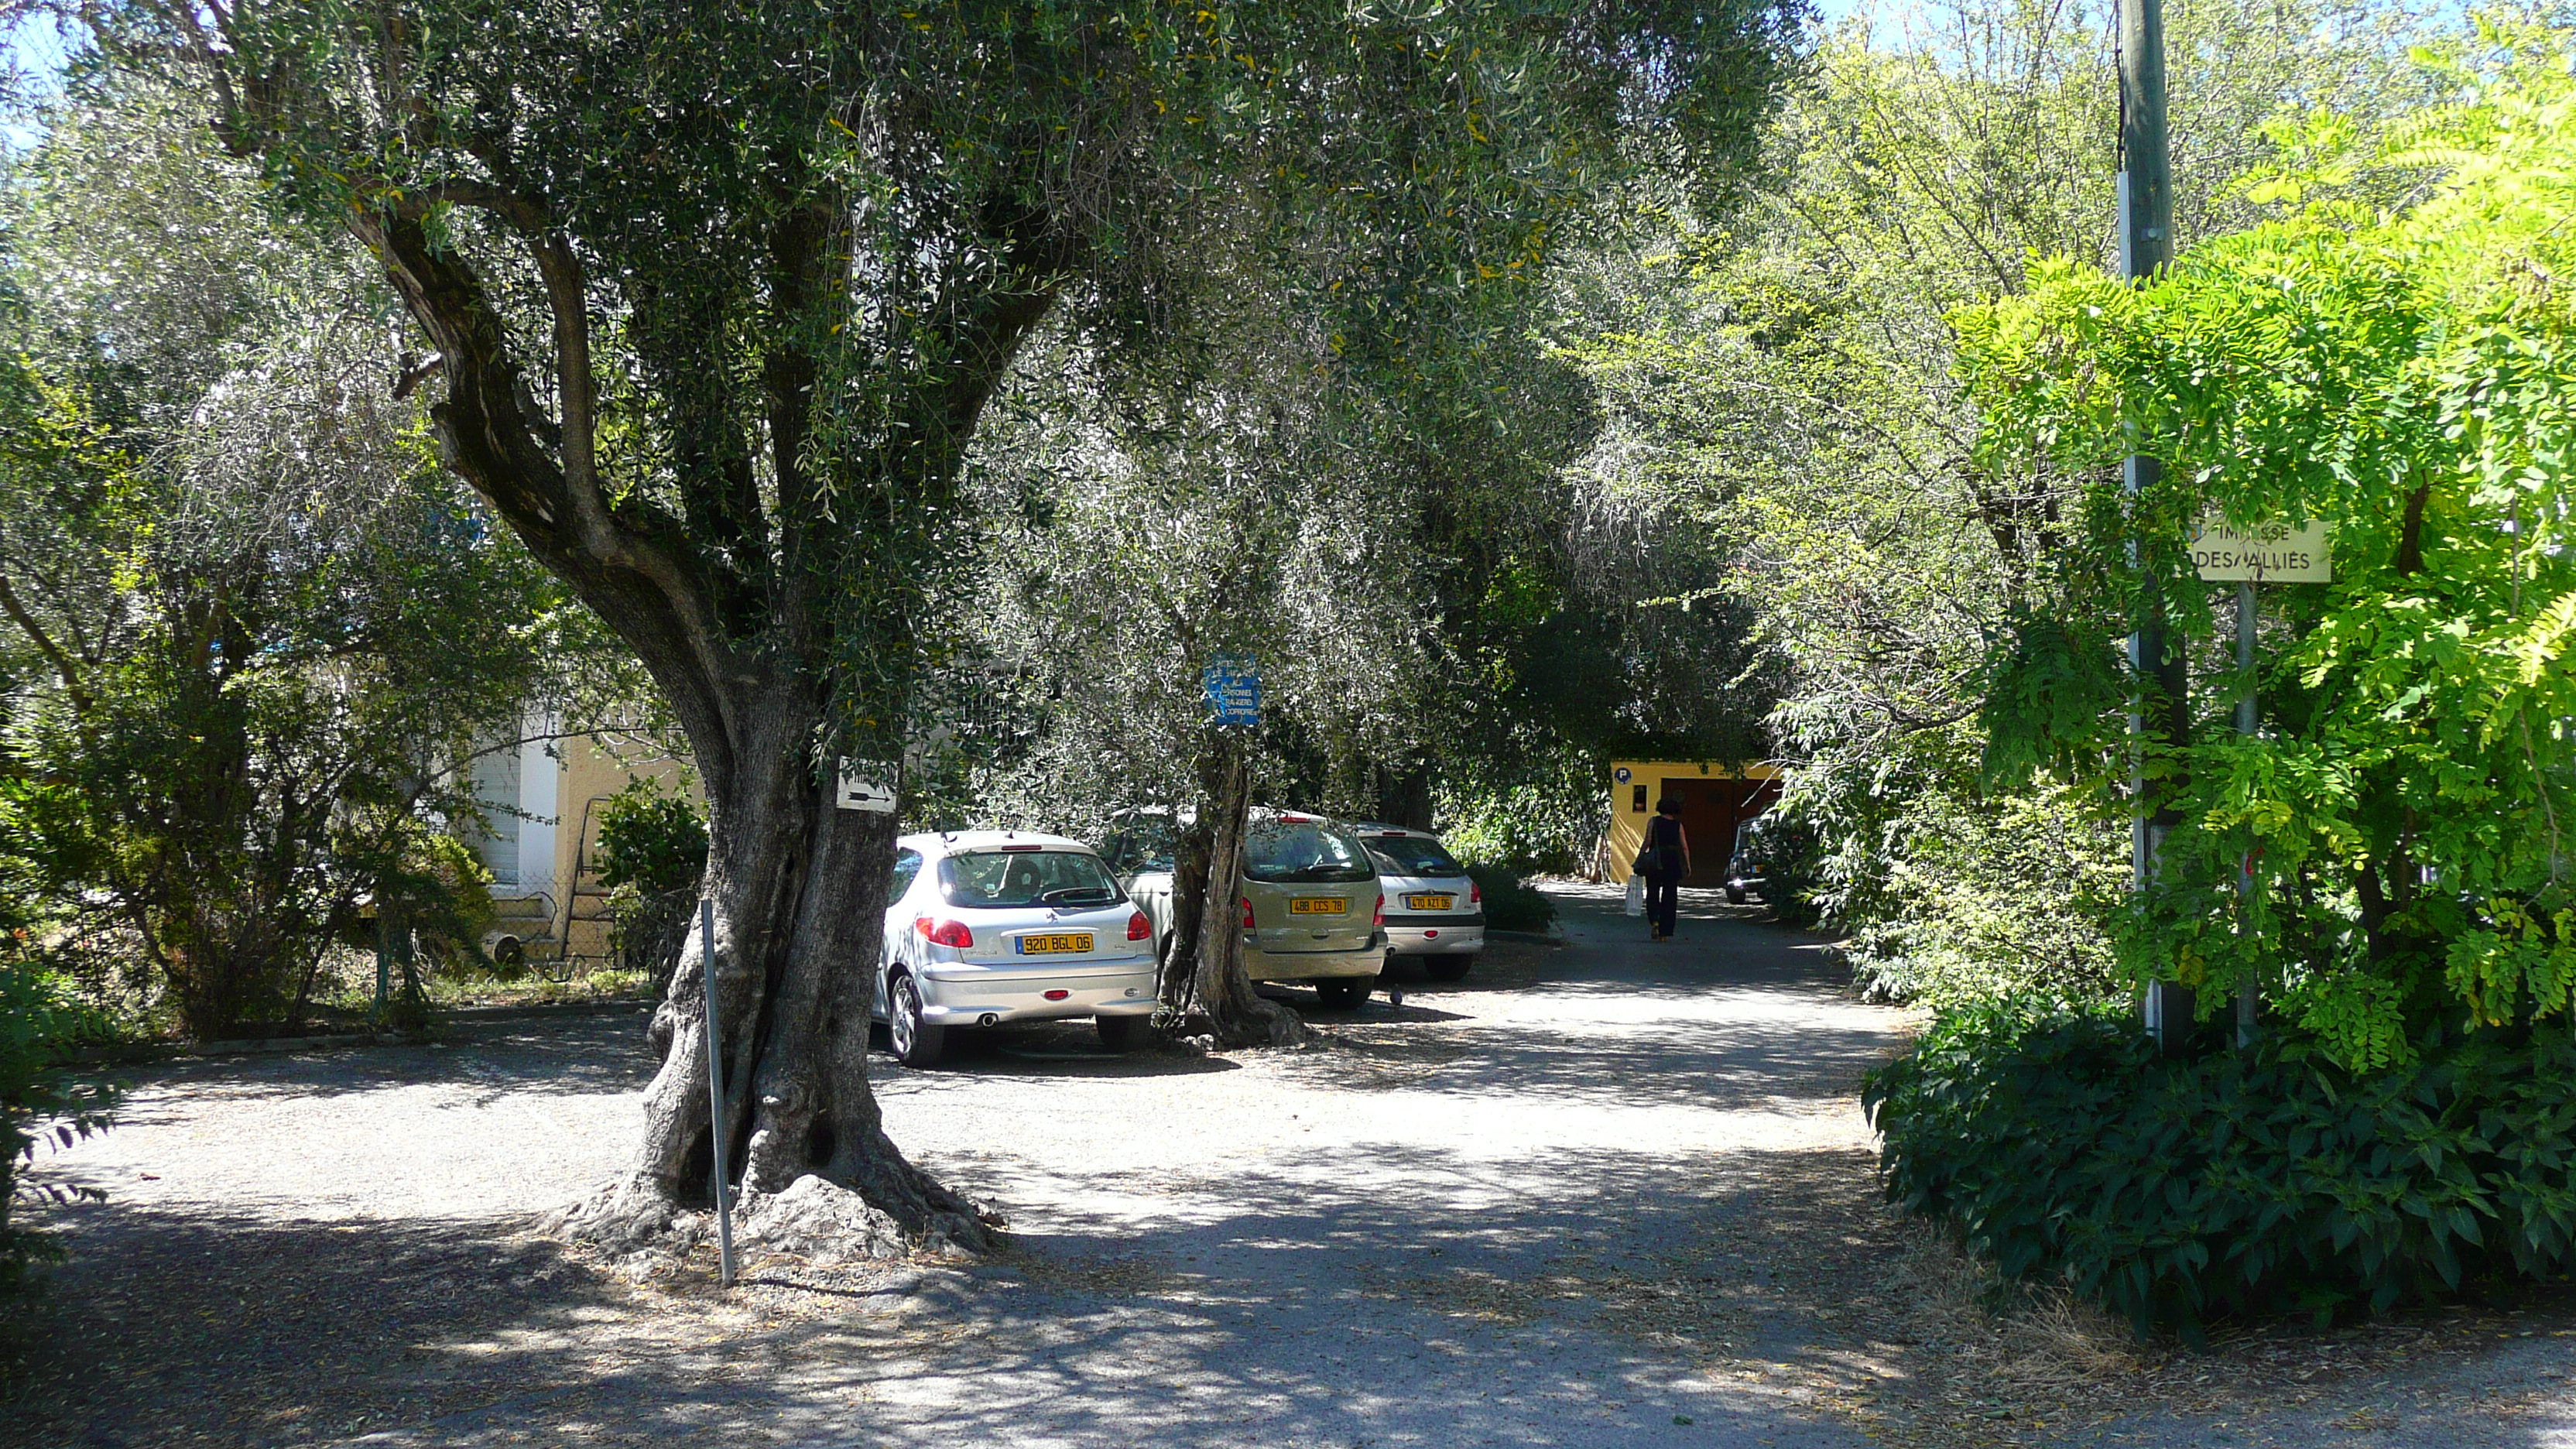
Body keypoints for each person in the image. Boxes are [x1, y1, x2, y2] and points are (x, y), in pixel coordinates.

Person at [1641, 796, 1690, 941]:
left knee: (1652, 891)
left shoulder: (1653, 821)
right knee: (1670, 896)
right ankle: (1664, 932)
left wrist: (1641, 856)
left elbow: (1648, 841)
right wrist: (1687, 864)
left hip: (1655, 859)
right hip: (1672, 860)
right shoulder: (1678, 825)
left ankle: (1655, 920)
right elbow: (1684, 846)